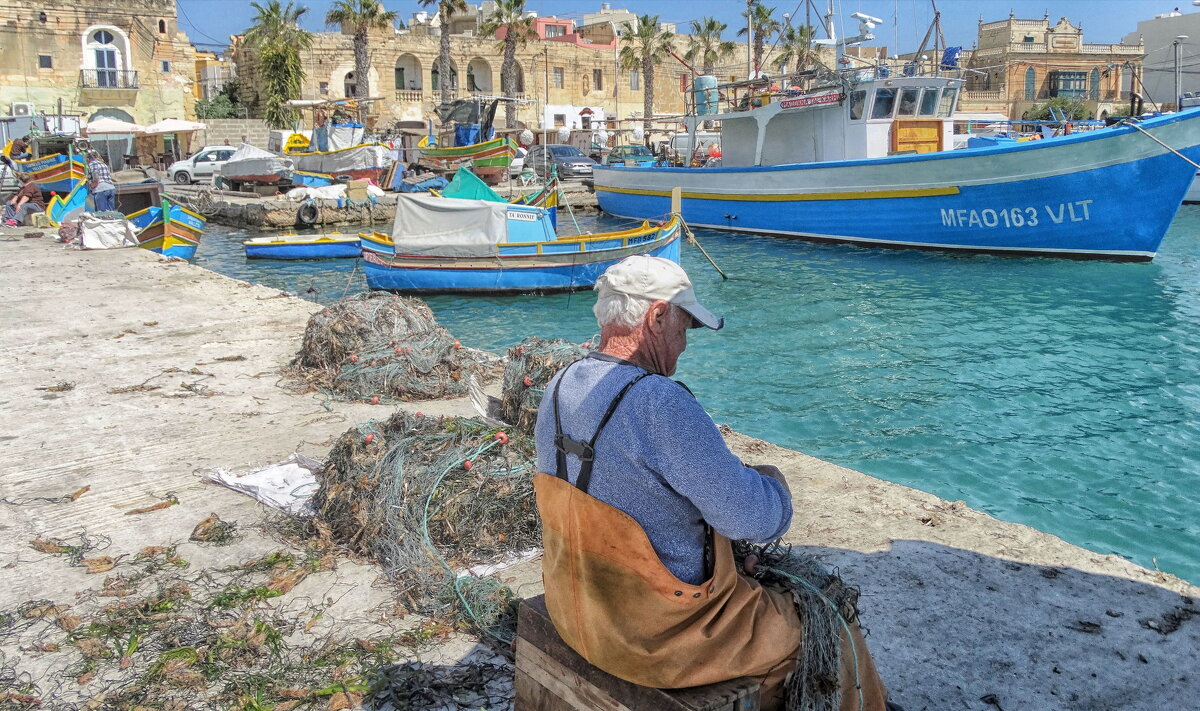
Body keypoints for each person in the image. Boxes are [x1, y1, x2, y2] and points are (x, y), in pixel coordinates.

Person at [533, 256, 893, 711]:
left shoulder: (560, 385)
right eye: (684, 329)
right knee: (829, 618)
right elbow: (755, 520)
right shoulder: (659, 403)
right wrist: (773, 482)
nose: (683, 347)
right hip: (661, 637)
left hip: (578, 609)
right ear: (657, 316)